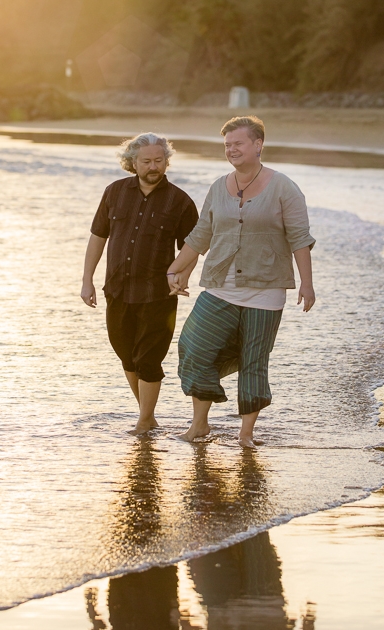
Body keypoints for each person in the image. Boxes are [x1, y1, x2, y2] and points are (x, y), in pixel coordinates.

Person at [167, 115, 315, 448]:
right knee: (193, 348)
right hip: (220, 285)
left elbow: (300, 238)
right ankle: (199, 425)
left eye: (238, 143)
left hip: (267, 290)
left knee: (253, 361)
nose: (232, 150)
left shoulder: (283, 187)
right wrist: (173, 269)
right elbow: (201, 233)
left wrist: (307, 283)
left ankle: (246, 434)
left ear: (258, 145)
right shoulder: (219, 186)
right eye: (227, 145)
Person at [81, 133, 198, 435]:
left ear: (166, 161)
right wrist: (87, 280)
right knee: (126, 355)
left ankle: (145, 420)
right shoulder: (114, 192)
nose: (153, 166)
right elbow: (98, 237)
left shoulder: (180, 201)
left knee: (148, 358)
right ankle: (147, 415)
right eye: (146, 161)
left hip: (157, 294)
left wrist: (181, 276)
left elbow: (192, 248)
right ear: (132, 162)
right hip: (117, 289)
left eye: (159, 160)